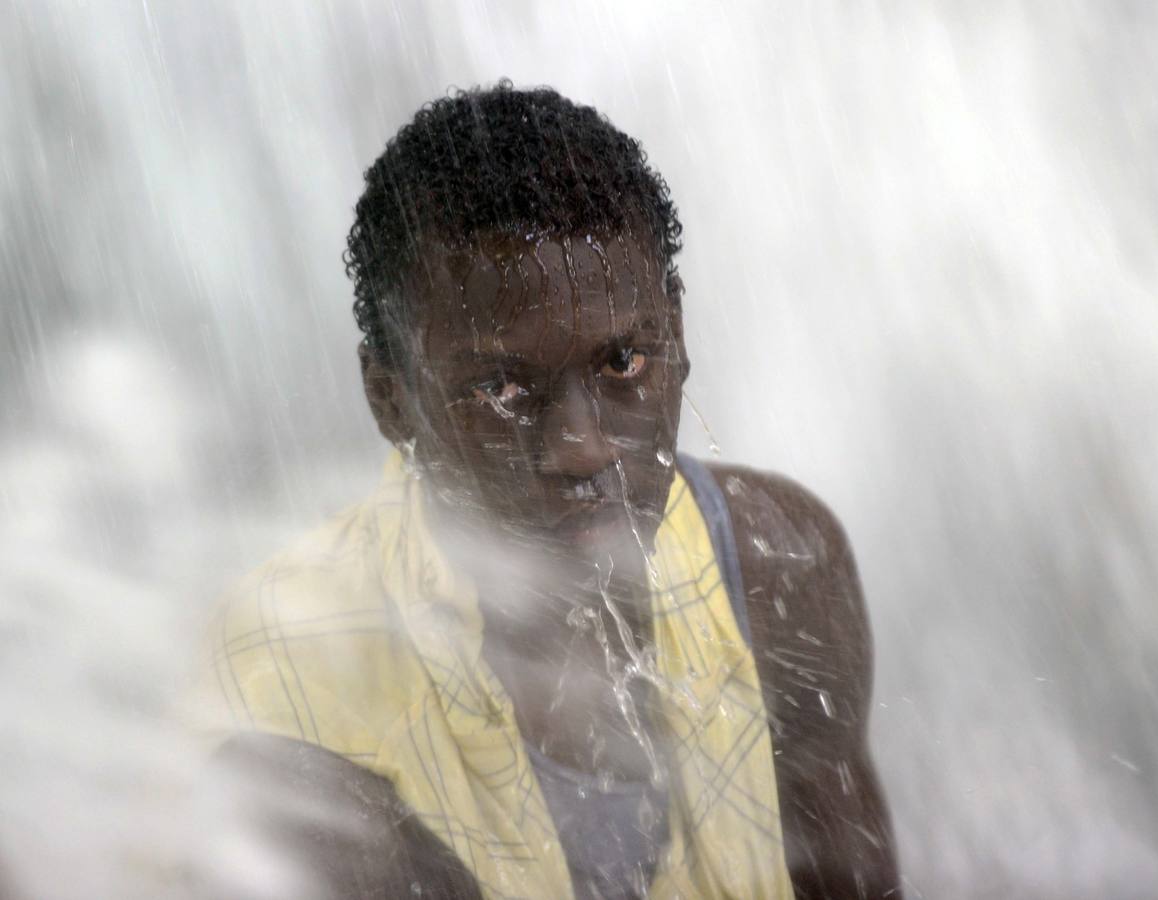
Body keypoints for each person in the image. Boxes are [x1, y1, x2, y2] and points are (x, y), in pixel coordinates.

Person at [195, 82, 899, 900]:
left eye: (623, 364)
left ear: (676, 334)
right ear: (391, 400)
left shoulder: (779, 570)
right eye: (499, 389)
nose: (582, 447)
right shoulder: (285, 669)